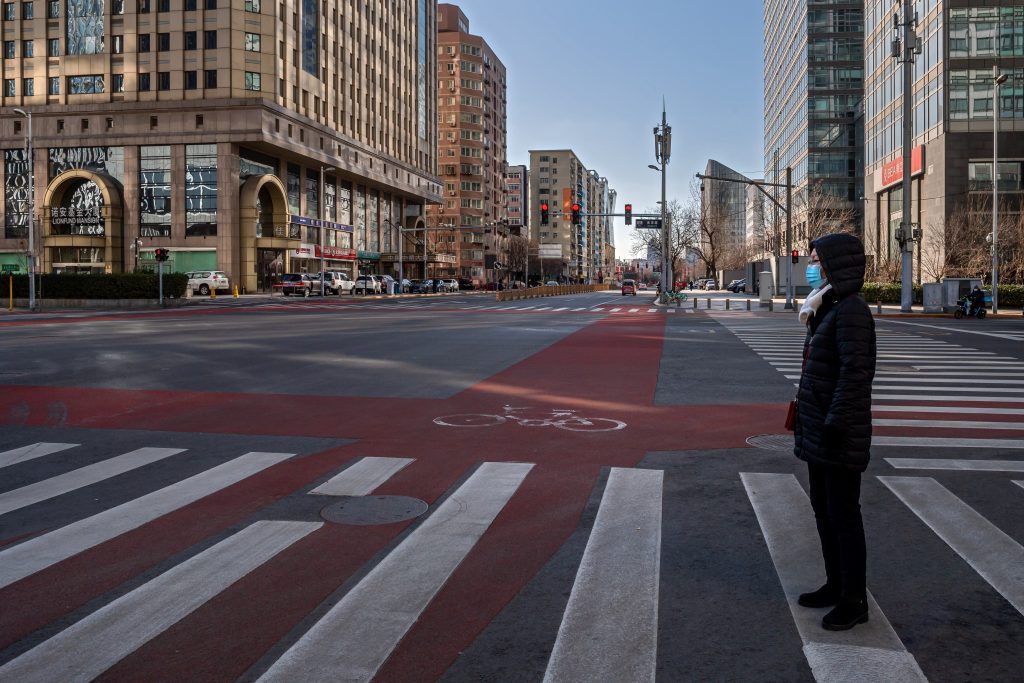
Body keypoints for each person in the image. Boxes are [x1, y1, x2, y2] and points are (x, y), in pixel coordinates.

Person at [794, 233, 877, 631]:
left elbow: (855, 376)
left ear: (833, 264)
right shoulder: (827, 307)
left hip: (837, 432)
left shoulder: (852, 311)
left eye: (815, 259)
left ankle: (854, 599)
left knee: (844, 516)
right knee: (824, 512)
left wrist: (835, 424)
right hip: (818, 430)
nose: (810, 265)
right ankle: (835, 584)